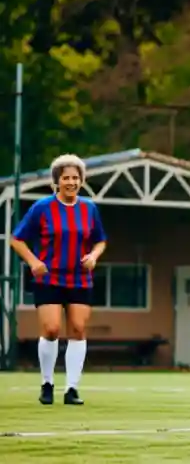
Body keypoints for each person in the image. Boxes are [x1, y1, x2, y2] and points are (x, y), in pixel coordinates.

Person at [9, 154, 107, 406]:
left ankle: (72, 389)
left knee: (77, 329)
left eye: (76, 178)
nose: (71, 182)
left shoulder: (89, 208)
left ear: (82, 181)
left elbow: (100, 240)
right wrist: (33, 262)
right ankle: (47, 383)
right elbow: (16, 239)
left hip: (80, 279)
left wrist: (94, 256)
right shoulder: (42, 208)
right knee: (51, 330)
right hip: (49, 278)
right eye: (66, 178)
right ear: (57, 181)